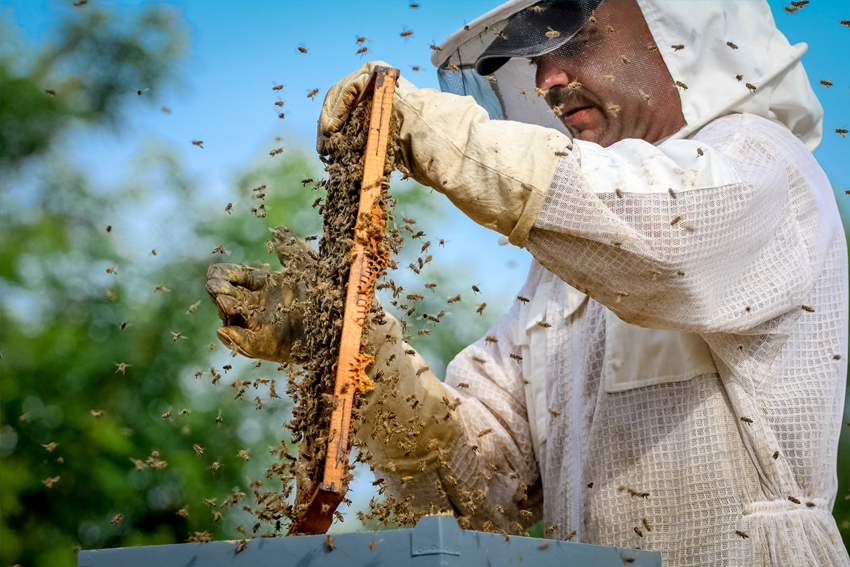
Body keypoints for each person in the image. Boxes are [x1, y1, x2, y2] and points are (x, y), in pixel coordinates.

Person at [207, 1, 849, 565]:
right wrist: (351, 344)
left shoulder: (764, 161)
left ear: (674, 26)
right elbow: (471, 490)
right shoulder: (561, 276)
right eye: (537, 57)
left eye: (573, 38)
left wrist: (445, 139)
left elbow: (666, 232)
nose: (547, 80)